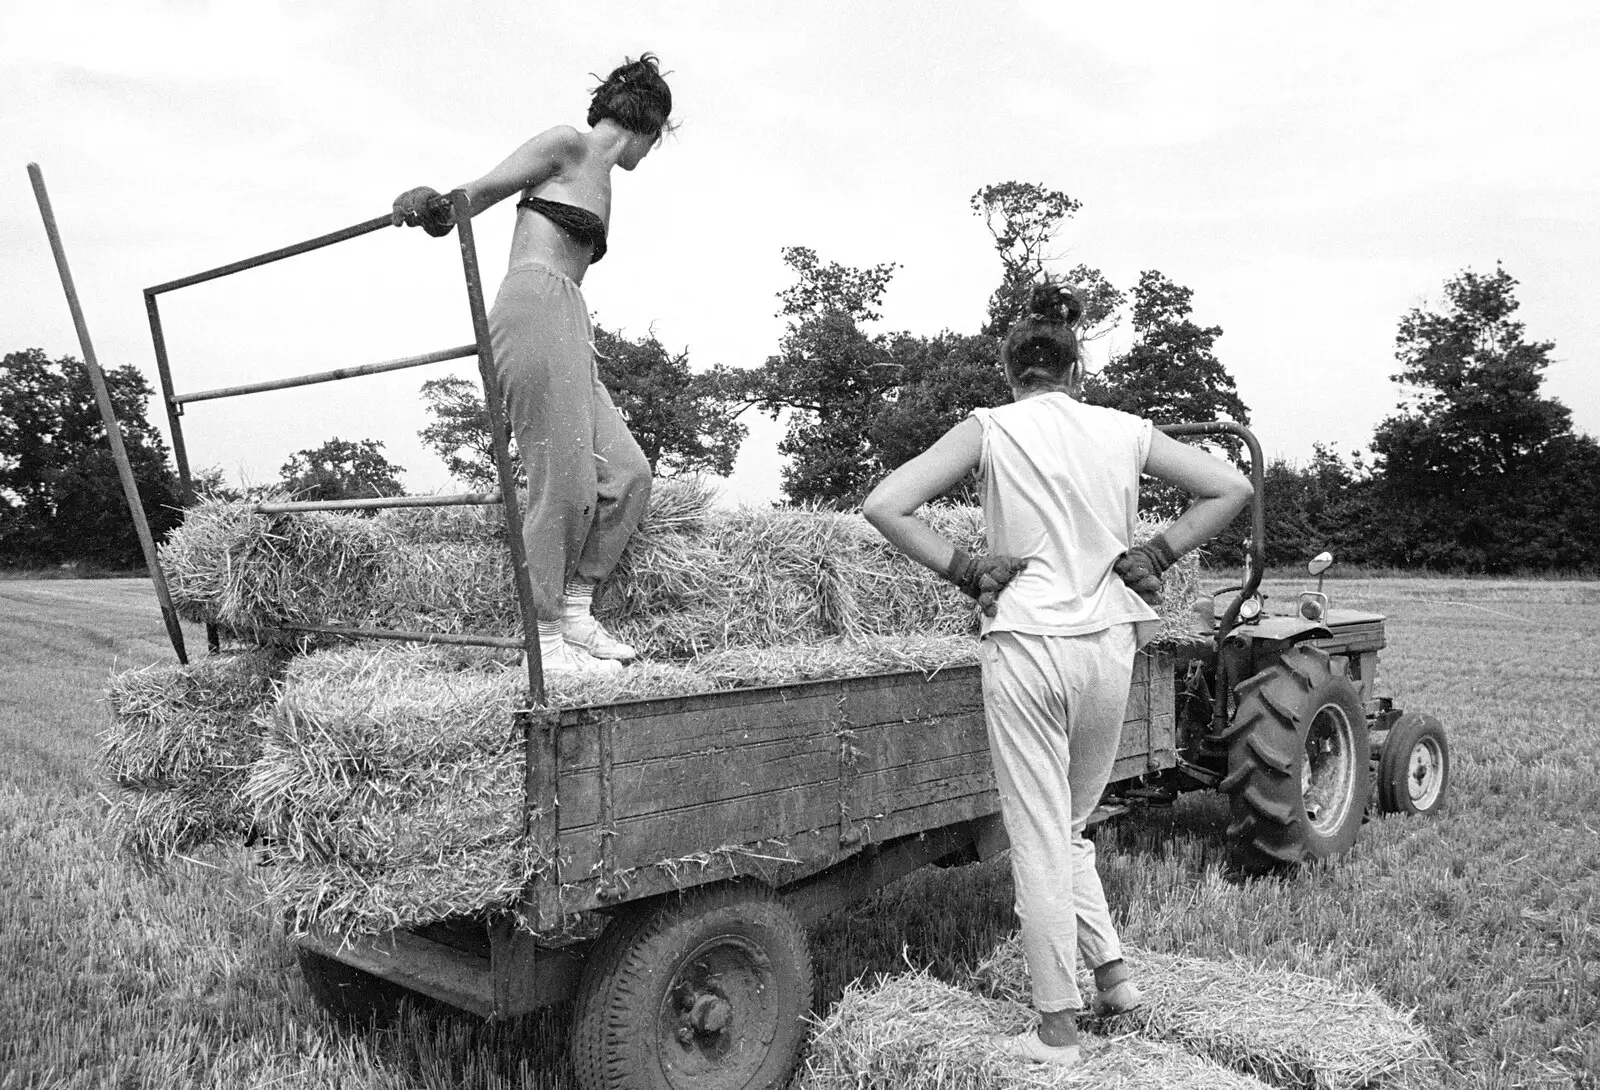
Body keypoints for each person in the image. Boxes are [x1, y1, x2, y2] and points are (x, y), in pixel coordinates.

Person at [862, 283, 1252, 1067]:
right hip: (1109, 645)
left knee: (1036, 838)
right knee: (1069, 828)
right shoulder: (1123, 429)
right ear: (1077, 373)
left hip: (1028, 643)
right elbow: (1233, 488)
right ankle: (1114, 980)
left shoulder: (992, 428)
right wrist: (1156, 553)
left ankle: (1055, 1029)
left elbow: (885, 503)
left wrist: (967, 566)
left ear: (1013, 374)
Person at [391, 55, 673, 677]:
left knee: (627, 472)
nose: (650, 155)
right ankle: (541, 637)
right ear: (648, 126)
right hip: (532, 303)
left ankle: (574, 608)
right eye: (656, 142)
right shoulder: (567, 145)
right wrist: (433, 205)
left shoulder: (606, 180)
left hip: (571, 315)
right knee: (563, 479)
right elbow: (479, 194)